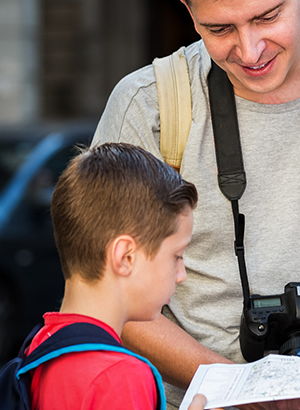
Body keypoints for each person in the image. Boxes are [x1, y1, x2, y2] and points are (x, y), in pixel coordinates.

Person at [92, 0, 300, 408]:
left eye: (266, 18)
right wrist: (247, 391)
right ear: (188, 12)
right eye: (219, 29)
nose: (249, 52)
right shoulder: (149, 105)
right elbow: (105, 297)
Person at [29, 142, 198, 409]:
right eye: (176, 256)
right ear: (125, 257)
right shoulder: (120, 376)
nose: (181, 275)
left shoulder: (43, 345)